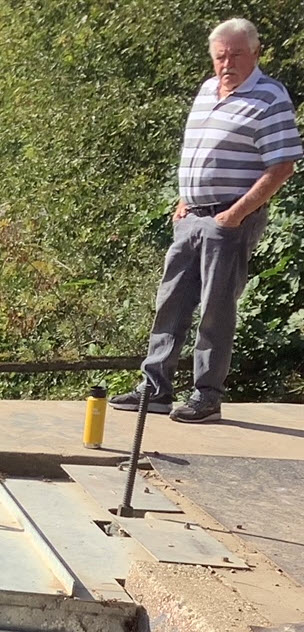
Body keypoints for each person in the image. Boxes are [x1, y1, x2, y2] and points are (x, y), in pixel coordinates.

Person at [110, 18, 302, 423]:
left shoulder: (269, 97)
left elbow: (282, 166)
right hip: (191, 217)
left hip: (230, 219)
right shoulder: (206, 91)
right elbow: (199, 153)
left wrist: (234, 214)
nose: (227, 63)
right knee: (171, 302)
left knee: (216, 309)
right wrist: (184, 199)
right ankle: (155, 389)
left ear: (256, 53)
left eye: (235, 54)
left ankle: (206, 396)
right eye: (220, 56)